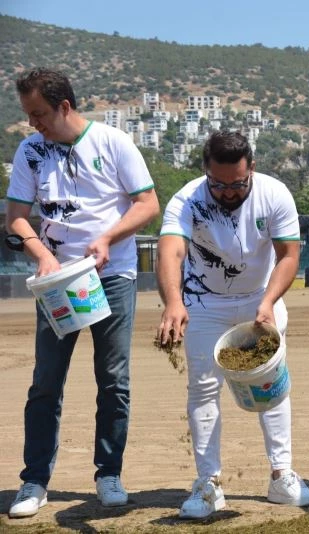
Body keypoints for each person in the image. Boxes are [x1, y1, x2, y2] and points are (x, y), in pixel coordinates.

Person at [6, 68, 160, 518]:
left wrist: (108, 238)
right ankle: (34, 481)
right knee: (46, 382)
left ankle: (108, 474)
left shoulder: (113, 142)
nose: (33, 123)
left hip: (111, 276)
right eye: (28, 115)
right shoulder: (30, 151)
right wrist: (41, 253)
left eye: (39, 114)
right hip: (58, 281)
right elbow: (16, 215)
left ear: (64, 107)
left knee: (113, 380)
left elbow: (148, 204)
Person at [156, 131, 309, 519]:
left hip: (260, 298)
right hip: (204, 301)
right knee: (203, 387)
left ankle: (281, 475)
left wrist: (267, 303)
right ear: (205, 172)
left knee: (271, 384)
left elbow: (288, 257)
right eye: (219, 184)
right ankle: (208, 484)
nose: (228, 192)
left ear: (252, 169)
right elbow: (171, 251)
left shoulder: (274, 194)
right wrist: (174, 302)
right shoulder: (187, 199)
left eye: (238, 184)